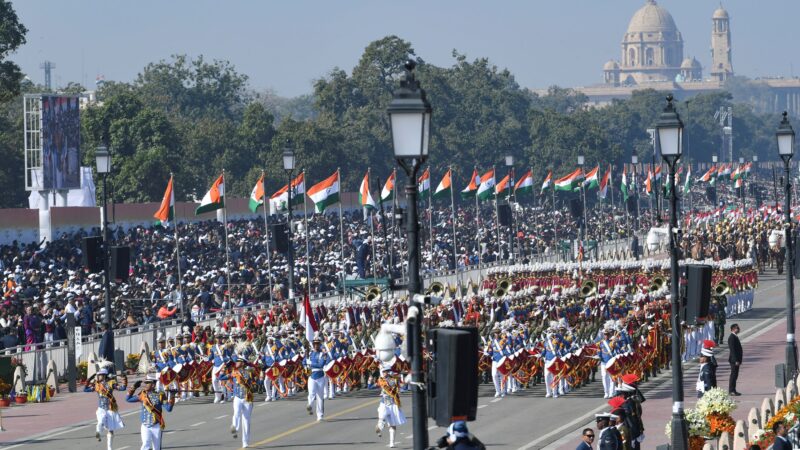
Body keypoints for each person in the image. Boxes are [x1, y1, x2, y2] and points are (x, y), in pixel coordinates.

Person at [126, 374, 175, 450]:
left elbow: (169, 409)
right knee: (145, 444)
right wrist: (134, 387)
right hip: (145, 425)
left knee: (156, 448)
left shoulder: (160, 395)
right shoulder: (142, 394)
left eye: (147, 383)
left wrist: (172, 395)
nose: (145, 385)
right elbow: (128, 399)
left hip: (156, 426)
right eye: (145, 383)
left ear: (153, 384)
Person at [219, 357, 258, 448]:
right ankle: (235, 428)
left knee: (246, 420)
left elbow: (256, 378)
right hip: (237, 397)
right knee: (236, 413)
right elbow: (221, 377)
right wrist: (224, 367)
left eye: (238, 362)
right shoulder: (234, 372)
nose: (236, 363)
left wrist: (251, 368)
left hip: (247, 398)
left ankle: (245, 442)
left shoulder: (249, 372)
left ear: (242, 363)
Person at [84, 365, 126, 450]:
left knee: (110, 429)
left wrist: (124, 379)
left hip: (110, 409)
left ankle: (109, 448)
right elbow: (86, 389)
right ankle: (98, 433)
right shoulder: (97, 385)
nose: (98, 377)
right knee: (100, 421)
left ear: (104, 376)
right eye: (98, 375)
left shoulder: (111, 383)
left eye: (99, 375)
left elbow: (122, 388)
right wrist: (88, 380)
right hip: (101, 408)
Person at [375, 365, 406, 448]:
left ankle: (392, 442)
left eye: (386, 371)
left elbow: (400, 386)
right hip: (384, 403)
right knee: (381, 417)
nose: (384, 373)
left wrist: (400, 380)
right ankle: (379, 427)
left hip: (393, 403)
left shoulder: (394, 379)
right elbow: (381, 385)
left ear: (388, 372)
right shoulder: (381, 380)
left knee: (392, 424)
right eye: (383, 372)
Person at [305, 335, 330, 421]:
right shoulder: (310, 353)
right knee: (311, 393)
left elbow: (321, 364)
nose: (316, 345)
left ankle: (320, 415)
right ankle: (310, 405)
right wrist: (306, 364)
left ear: (319, 344)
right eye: (315, 344)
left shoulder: (322, 354)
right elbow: (304, 362)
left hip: (320, 377)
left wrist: (311, 363)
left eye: (317, 344)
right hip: (312, 376)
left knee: (320, 396)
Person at [728, 323, 742, 396]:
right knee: (733, 375)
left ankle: (734, 389)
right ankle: (731, 390)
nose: (739, 329)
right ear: (733, 329)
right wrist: (736, 360)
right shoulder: (732, 337)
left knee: (735, 375)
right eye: (737, 328)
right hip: (734, 360)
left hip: (737, 360)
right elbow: (732, 350)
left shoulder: (735, 336)